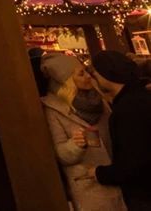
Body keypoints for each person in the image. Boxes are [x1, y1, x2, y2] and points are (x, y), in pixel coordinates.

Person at [38, 53, 125, 211]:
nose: (88, 76)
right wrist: (75, 145)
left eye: (85, 70)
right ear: (68, 81)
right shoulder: (54, 110)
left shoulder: (99, 99)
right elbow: (59, 153)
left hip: (116, 176)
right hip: (88, 185)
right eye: (80, 73)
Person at [91, 51, 151, 210]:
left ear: (106, 73)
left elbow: (134, 161)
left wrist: (100, 173)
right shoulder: (139, 97)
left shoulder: (129, 109)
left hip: (143, 194)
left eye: (95, 72)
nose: (93, 78)